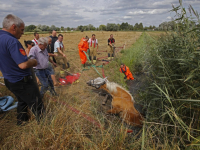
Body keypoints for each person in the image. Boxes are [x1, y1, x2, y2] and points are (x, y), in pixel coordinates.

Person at [0, 14, 44, 125]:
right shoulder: (12, 41)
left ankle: (21, 121)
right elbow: (23, 65)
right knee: (37, 104)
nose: (23, 33)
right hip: (21, 81)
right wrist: (33, 61)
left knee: (22, 101)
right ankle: (45, 126)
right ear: (14, 27)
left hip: (9, 80)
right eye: (22, 30)